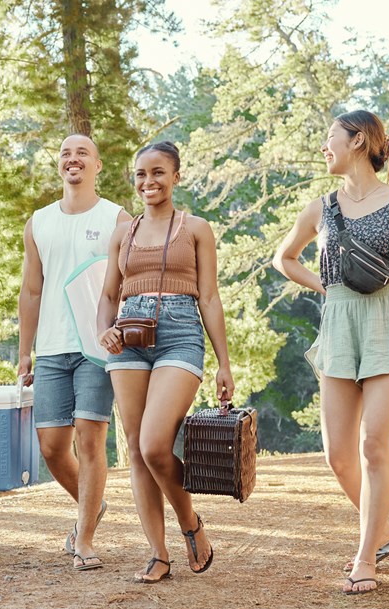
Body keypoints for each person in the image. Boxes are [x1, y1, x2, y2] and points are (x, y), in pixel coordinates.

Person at [272, 110, 389, 595]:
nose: (325, 148)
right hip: (340, 328)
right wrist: (325, 288)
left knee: (372, 445)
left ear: (359, 140)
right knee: (337, 456)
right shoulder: (321, 207)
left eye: (331, 138)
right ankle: (383, 530)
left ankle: (365, 557)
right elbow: (284, 258)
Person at [96, 141, 233, 583]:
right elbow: (108, 295)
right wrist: (105, 330)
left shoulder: (196, 229)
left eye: (157, 173)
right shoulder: (123, 232)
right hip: (128, 338)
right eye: (140, 174)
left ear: (176, 176)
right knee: (136, 449)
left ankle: (189, 520)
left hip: (179, 334)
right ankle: (158, 553)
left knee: (156, 444)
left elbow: (209, 297)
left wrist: (224, 363)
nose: (148, 182)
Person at [18, 134, 132, 571]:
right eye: (65, 153)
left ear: (97, 166)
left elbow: (126, 284)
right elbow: (31, 290)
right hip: (50, 348)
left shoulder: (117, 219)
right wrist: (25, 351)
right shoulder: (39, 222)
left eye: (82, 152)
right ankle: (92, 504)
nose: (73, 159)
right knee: (51, 446)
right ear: (59, 165)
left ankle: (83, 538)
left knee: (89, 437)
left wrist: (120, 332)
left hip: (96, 348)